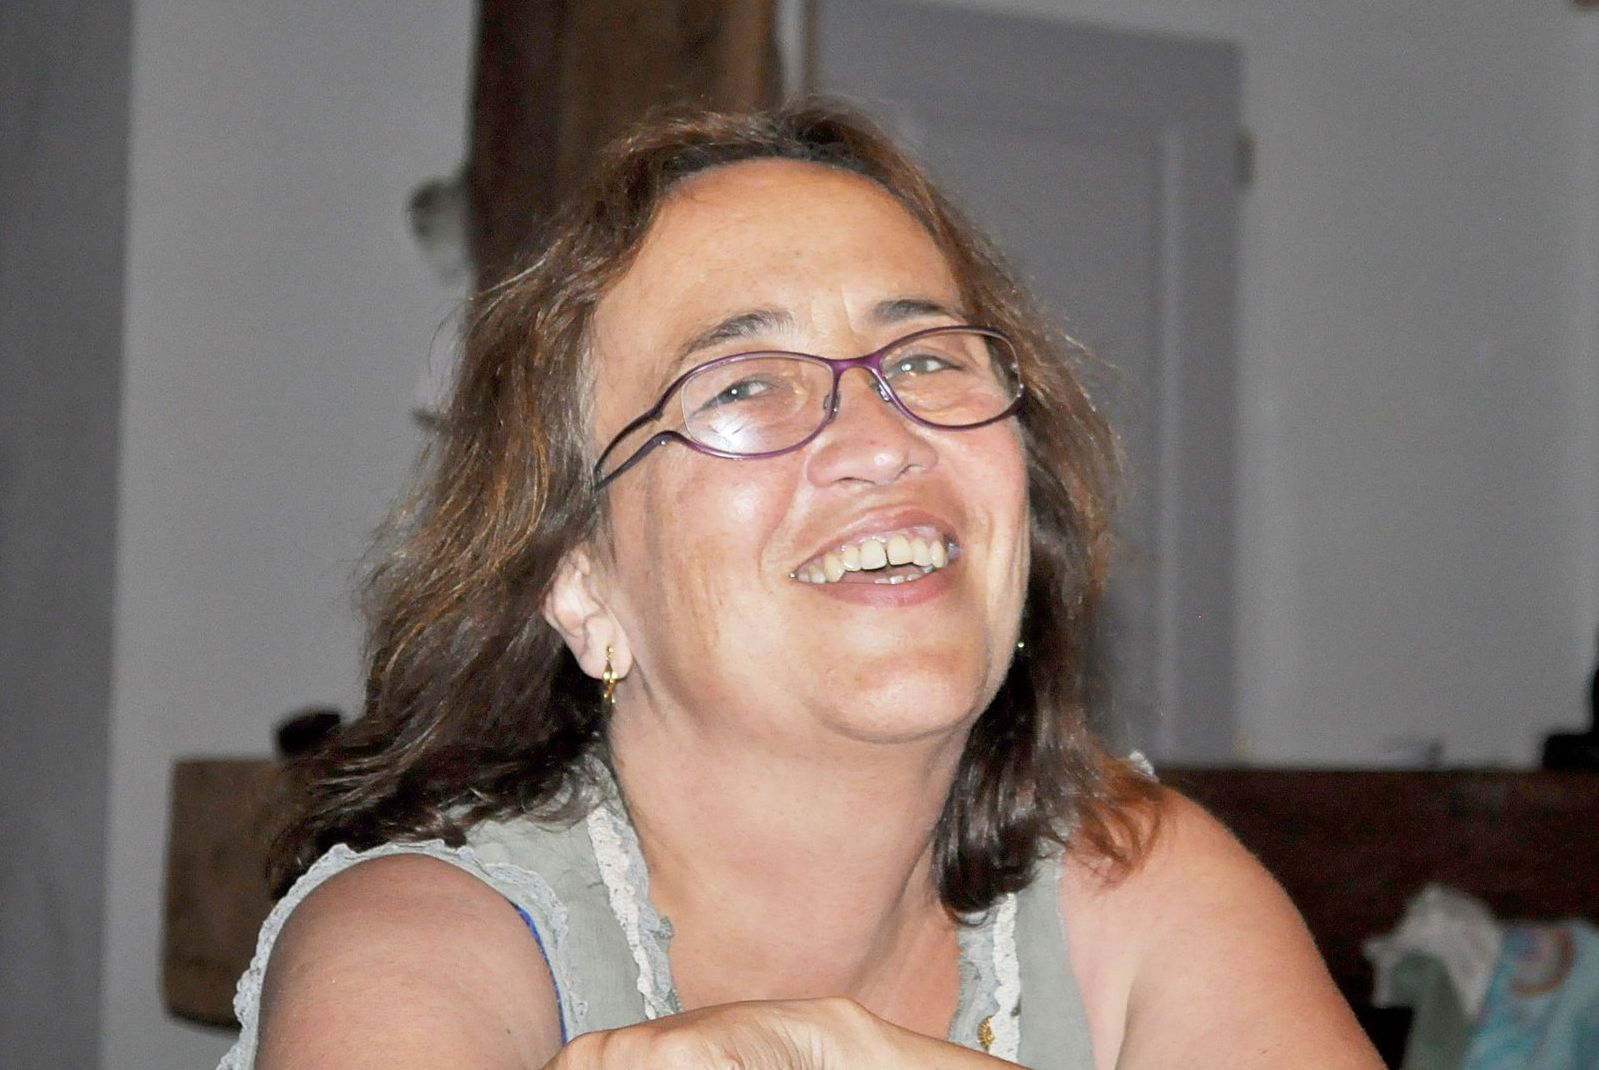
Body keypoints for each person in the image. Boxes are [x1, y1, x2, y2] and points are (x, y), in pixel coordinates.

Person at [221, 103, 1382, 1070]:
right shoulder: (416, 943)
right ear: (582, 586)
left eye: (925, 358)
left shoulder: (1137, 875)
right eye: (742, 384)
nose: (883, 439)